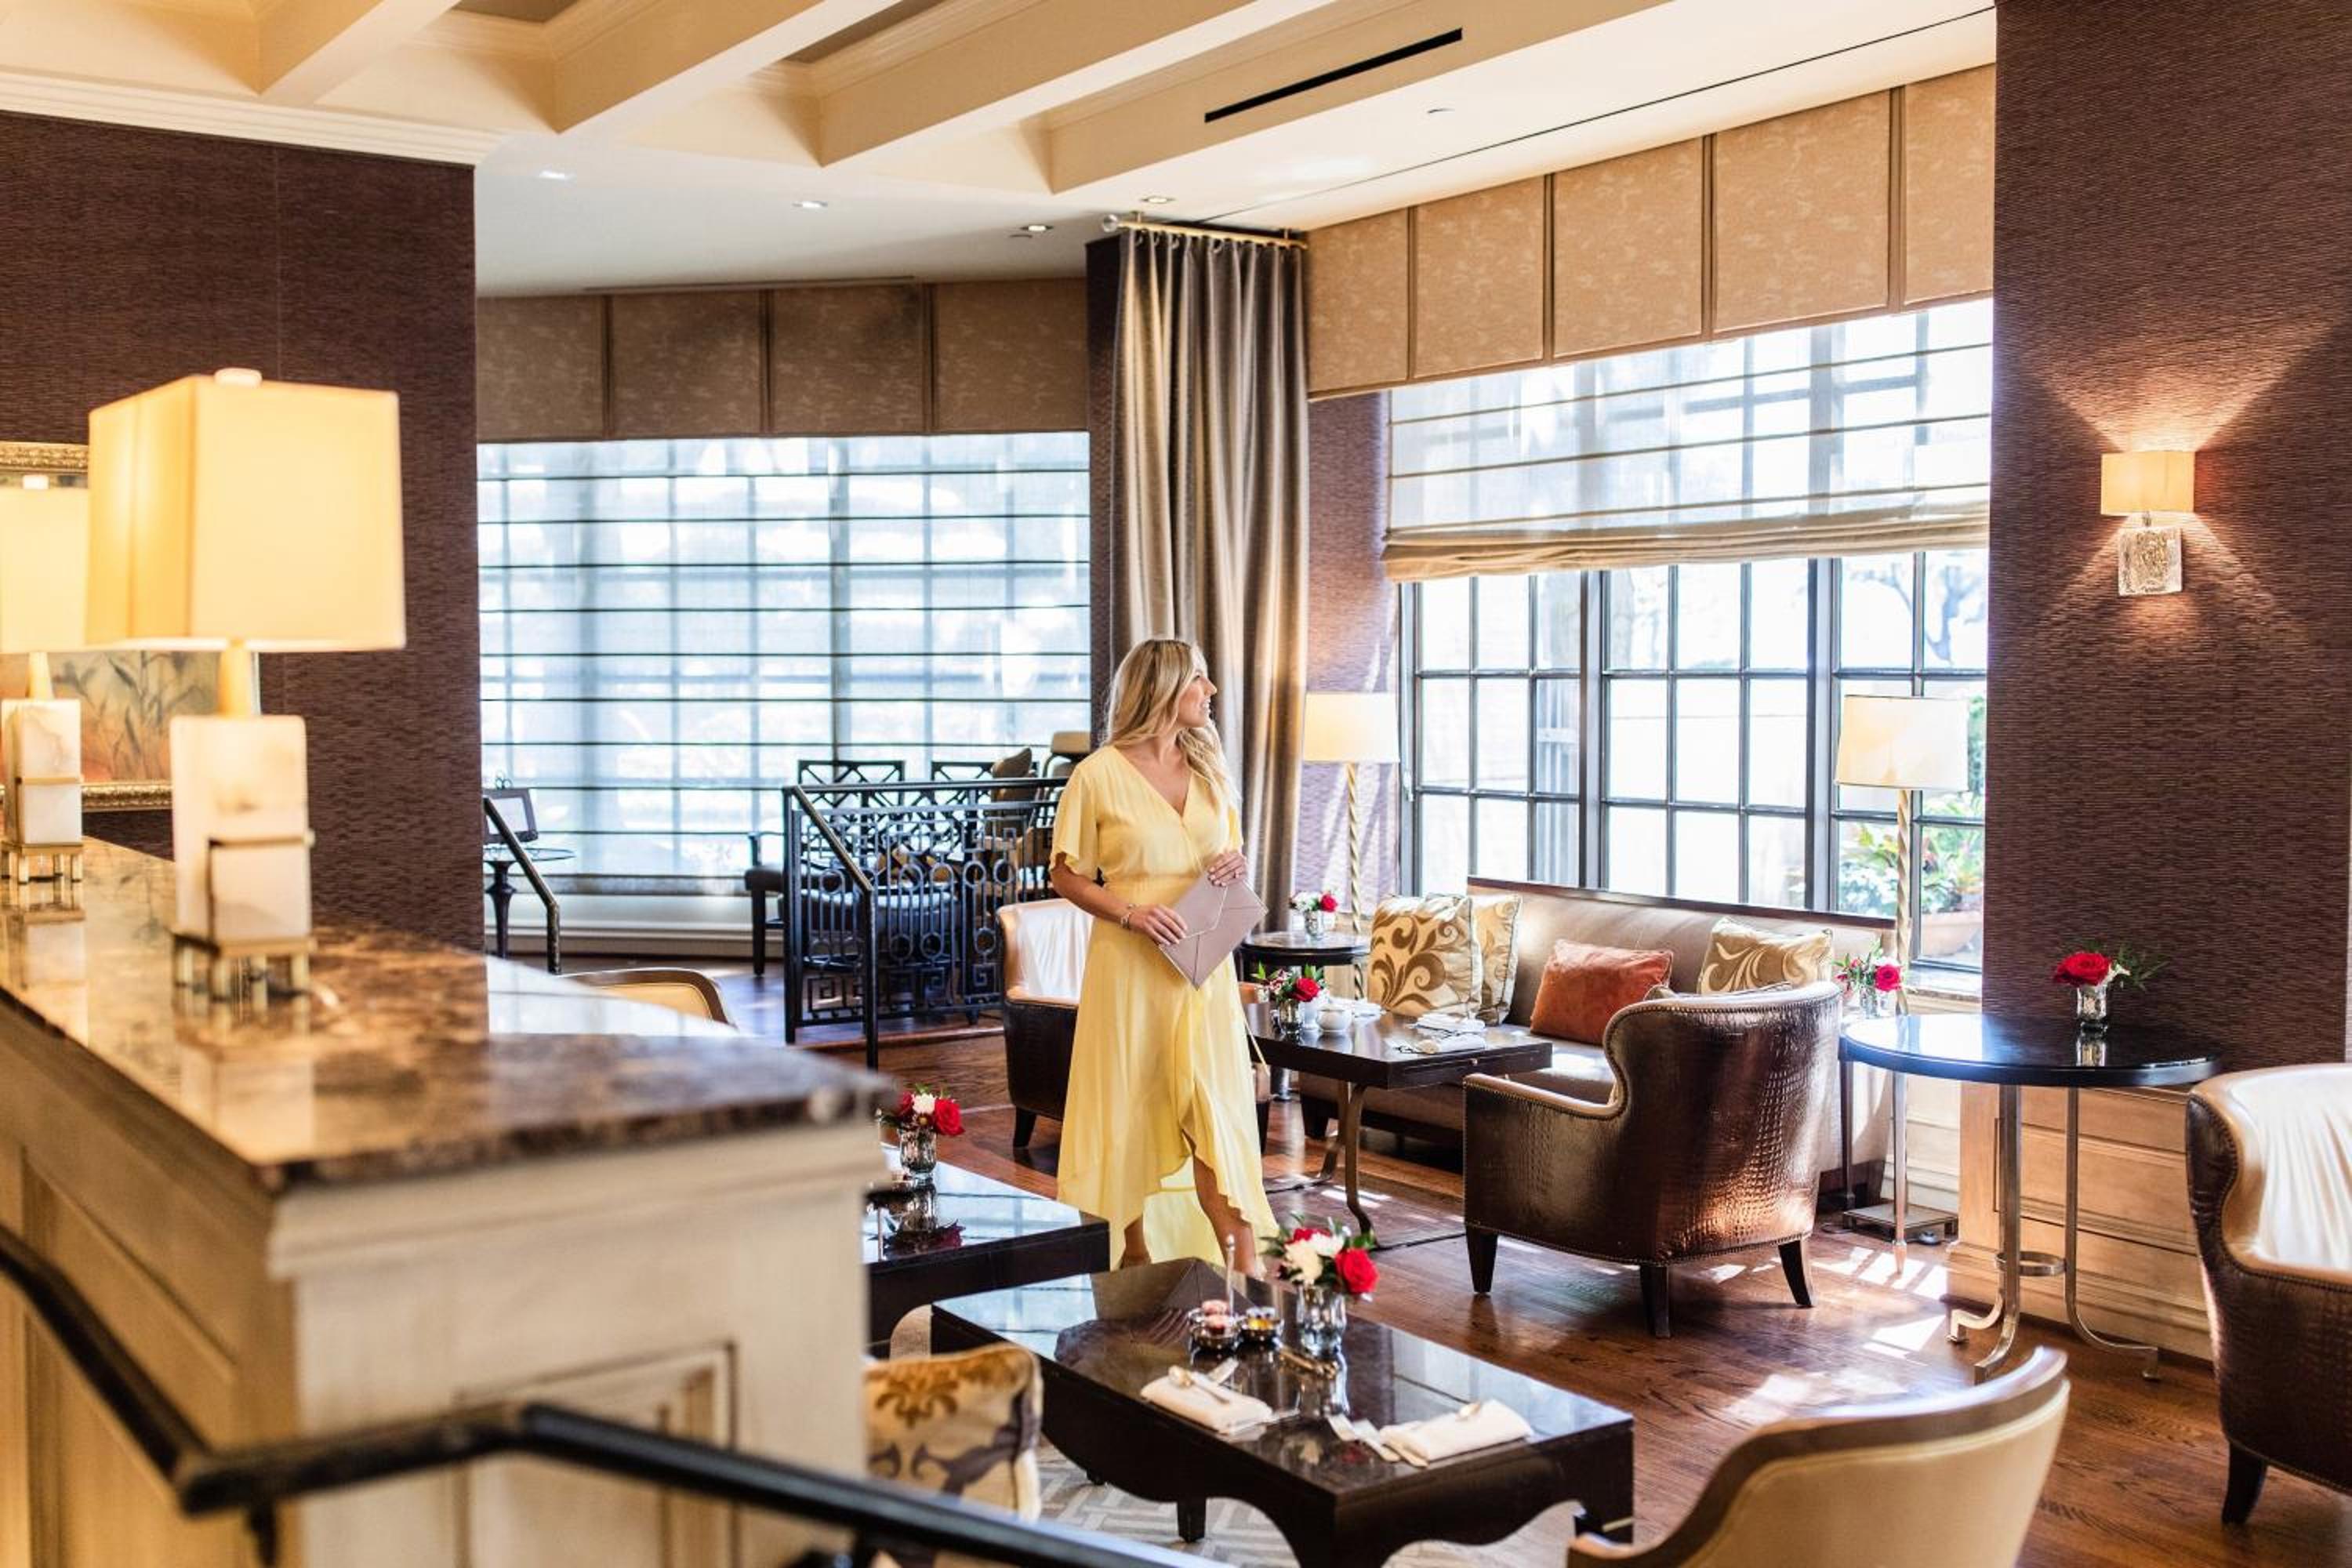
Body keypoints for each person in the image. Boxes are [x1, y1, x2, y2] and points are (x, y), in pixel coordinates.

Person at [1047, 637, 1280, 1272]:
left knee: (1215, 1115)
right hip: (1130, 970)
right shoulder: (1098, 775)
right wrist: (1131, 912)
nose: (1210, 691)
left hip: (1203, 972)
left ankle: (1244, 1274)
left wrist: (1235, 865)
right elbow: (1065, 874)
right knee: (1128, 1107)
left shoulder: (1210, 770)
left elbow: (1227, 854)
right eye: (1198, 679)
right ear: (1163, 688)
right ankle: (1132, 1260)